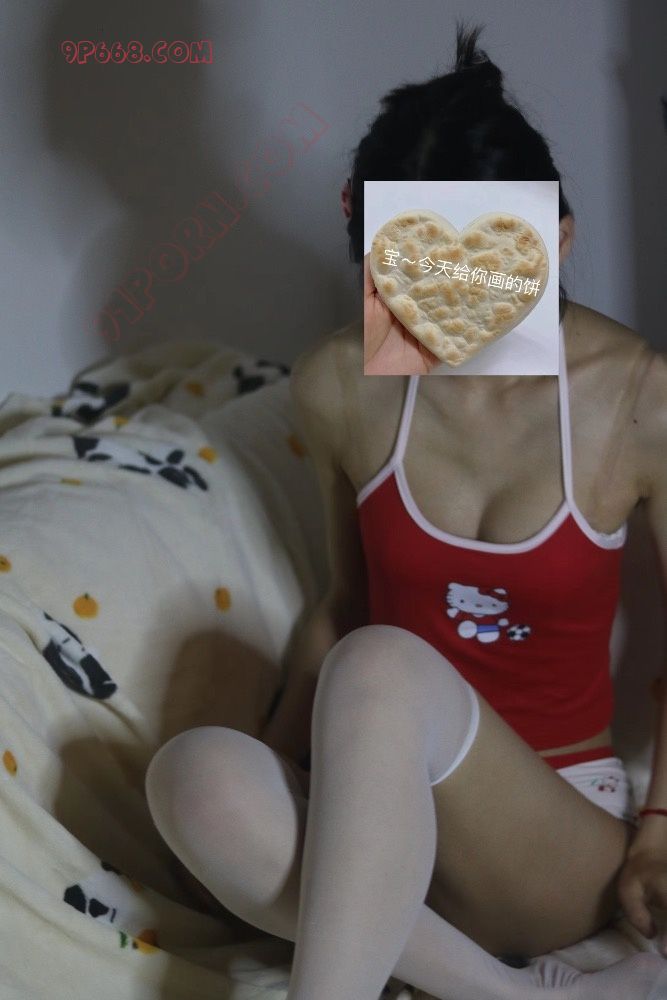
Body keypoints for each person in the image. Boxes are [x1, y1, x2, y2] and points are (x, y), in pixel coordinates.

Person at [144, 23, 667, 1000]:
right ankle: (514, 995)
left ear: (555, 238)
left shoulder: (637, 396)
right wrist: (265, 785)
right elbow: (342, 607)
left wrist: (661, 829)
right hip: (377, 812)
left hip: (549, 831)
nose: (453, 318)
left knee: (381, 662)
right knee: (194, 775)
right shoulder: (340, 381)